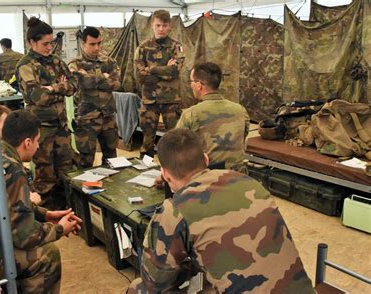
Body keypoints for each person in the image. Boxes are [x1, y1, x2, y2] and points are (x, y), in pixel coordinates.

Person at [129, 129, 315, 293]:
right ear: (206, 159)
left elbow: (155, 284)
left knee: (137, 288)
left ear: (165, 174)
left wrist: (187, 266)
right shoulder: (248, 183)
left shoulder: (174, 210)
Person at [0, 110, 82, 293]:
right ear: (27, 143)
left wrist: (46, 214)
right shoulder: (13, 170)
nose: (37, 147)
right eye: (37, 141)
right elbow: (24, 236)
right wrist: (59, 229)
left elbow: (11, 207)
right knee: (47, 255)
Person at [16, 17, 76, 210]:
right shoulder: (25, 65)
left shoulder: (56, 61)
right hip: (41, 131)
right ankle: (49, 216)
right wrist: (59, 87)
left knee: (66, 171)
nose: (50, 47)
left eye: (51, 43)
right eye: (45, 43)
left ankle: (67, 210)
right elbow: (38, 97)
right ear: (32, 42)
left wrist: (52, 87)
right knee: (46, 176)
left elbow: (74, 85)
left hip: (61, 126)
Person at [176, 62, 250, 172]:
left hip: (208, 180)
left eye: (191, 81)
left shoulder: (192, 114)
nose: (190, 85)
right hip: (238, 177)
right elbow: (243, 139)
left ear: (199, 85)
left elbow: (175, 149)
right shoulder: (240, 110)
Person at [68, 26, 121, 168]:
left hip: (108, 117)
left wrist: (90, 78)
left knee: (111, 159)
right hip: (87, 119)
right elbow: (80, 82)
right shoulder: (75, 64)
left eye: (99, 43)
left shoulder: (108, 62)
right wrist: (102, 77)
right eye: (92, 44)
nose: (97, 48)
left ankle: (111, 189)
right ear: (83, 44)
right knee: (85, 161)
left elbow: (116, 84)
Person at [135, 9, 185, 158]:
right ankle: (145, 173)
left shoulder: (176, 47)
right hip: (150, 101)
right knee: (147, 141)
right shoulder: (143, 48)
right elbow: (140, 76)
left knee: (174, 140)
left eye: (164, 25)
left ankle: (174, 172)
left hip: (171, 101)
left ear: (170, 26)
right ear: (152, 25)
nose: (161, 29)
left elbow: (175, 71)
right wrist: (165, 70)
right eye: (158, 25)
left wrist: (150, 70)